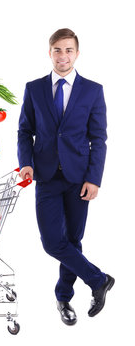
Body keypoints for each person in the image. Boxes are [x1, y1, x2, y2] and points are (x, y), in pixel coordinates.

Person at [17, 28, 114, 325]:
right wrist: (26, 163)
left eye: (68, 50)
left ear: (77, 53)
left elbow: (99, 139)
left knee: (73, 239)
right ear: (50, 53)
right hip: (45, 176)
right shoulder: (34, 89)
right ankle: (98, 280)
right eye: (57, 50)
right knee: (52, 242)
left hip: (79, 178)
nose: (63, 56)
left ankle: (63, 299)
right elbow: (24, 131)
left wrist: (94, 179)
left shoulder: (93, 90)